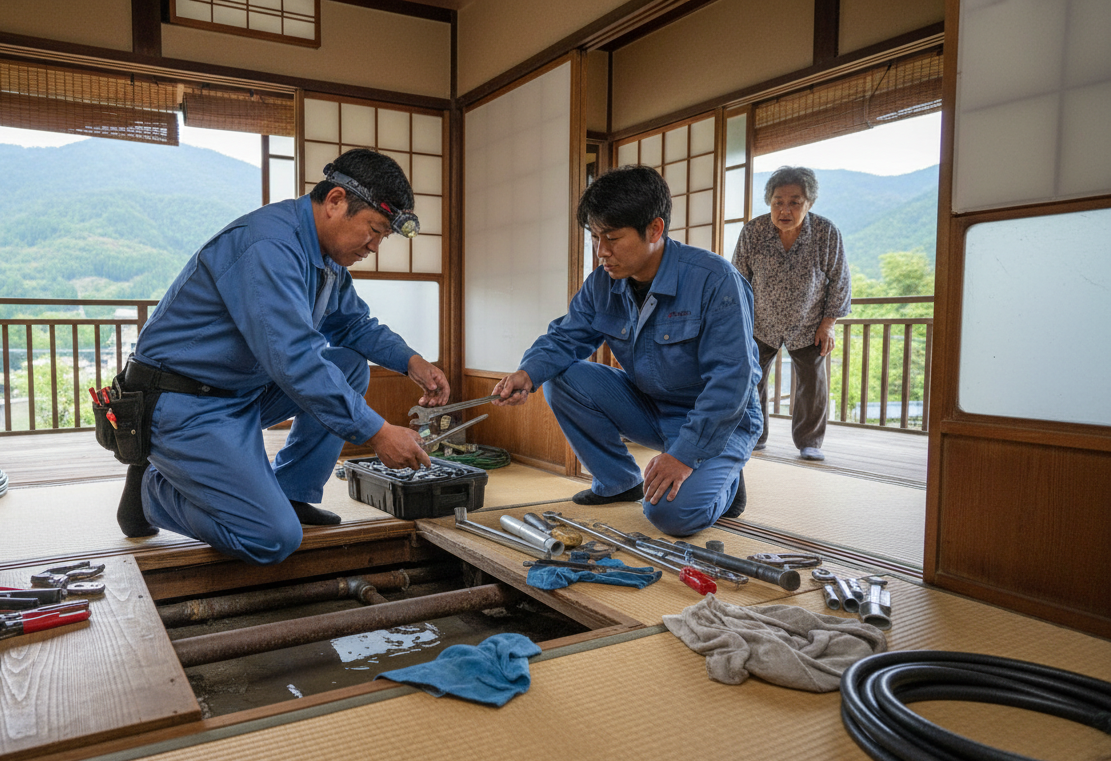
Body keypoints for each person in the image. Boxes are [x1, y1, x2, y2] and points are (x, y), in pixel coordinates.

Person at [115, 148, 449, 565]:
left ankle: (292, 491)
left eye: (383, 237)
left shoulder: (326, 260)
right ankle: (151, 489)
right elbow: (295, 359)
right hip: (184, 403)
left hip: (238, 392)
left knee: (347, 365)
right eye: (375, 230)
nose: (375, 246)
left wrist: (411, 361)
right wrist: (377, 432)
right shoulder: (269, 245)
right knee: (272, 537)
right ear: (335, 202)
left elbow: (353, 325)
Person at [491, 166, 761, 537]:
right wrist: (527, 373)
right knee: (561, 377)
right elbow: (565, 338)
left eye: (613, 238)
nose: (602, 252)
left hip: (719, 419)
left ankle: (723, 483)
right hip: (652, 406)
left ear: (654, 229)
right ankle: (619, 482)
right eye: (595, 237)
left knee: (671, 515)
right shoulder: (603, 282)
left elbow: (733, 381)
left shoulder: (715, 280)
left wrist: (684, 456)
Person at [732, 166, 851, 461]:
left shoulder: (826, 233)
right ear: (769, 202)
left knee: (812, 383)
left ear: (808, 203)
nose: (785, 209)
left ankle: (810, 441)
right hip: (760, 322)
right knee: (750, 379)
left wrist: (828, 324)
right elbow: (737, 279)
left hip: (809, 323)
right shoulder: (753, 231)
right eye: (778, 202)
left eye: (794, 202)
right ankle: (754, 435)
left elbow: (840, 280)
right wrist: (739, 322)